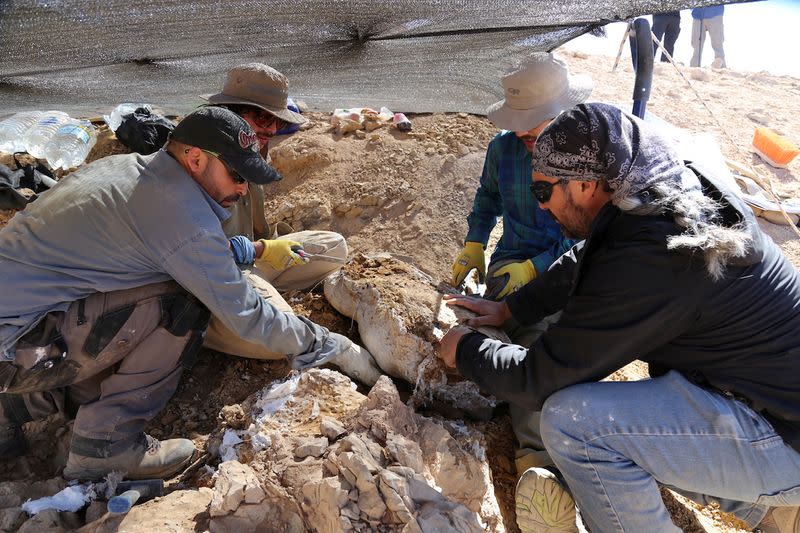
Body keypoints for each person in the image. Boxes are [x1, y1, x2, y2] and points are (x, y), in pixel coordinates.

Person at [439, 103, 800, 533]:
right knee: (647, 416)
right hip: (761, 401)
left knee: (576, 424)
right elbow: (584, 259)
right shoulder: (660, 191)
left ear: (587, 184)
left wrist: (465, 349)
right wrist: (512, 308)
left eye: (543, 192)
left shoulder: (657, 255)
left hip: (781, 432)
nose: (540, 209)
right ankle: (775, 512)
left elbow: (539, 378)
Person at [0, 107, 378, 481]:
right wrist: (327, 343)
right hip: (19, 347)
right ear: (195, 158)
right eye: (236, 175)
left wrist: (254, 251)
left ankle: (12, 409)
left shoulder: (131, 170)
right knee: (183, 302)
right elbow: (246, 315)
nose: (243, 188)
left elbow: (169, 249)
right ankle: (104, 446)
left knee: (154, 295)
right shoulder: (179, 212)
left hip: (19, 327)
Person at [199, 63, 352, 363]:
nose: (269, 131)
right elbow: (193, 254)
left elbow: (253, 227)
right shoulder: (198, 159)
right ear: (229, 112)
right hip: (209, 285)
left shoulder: (251, 147)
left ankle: (260, 297)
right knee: (284, 336)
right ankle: (222, 329)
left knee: (333, 247)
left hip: (246, 262)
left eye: (275, 124)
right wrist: (259, 250)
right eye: (260, 121)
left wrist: (270, 248)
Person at [450, 53, 592, 305]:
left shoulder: (588, 157)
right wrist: (475, 241)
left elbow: (587, 236)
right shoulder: (503, 148)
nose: (520, 130)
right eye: (516, 120)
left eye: (531, 120)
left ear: (562, 113)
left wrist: (535, 268)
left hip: (572, 265)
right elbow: (489, 195)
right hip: (512, 260)